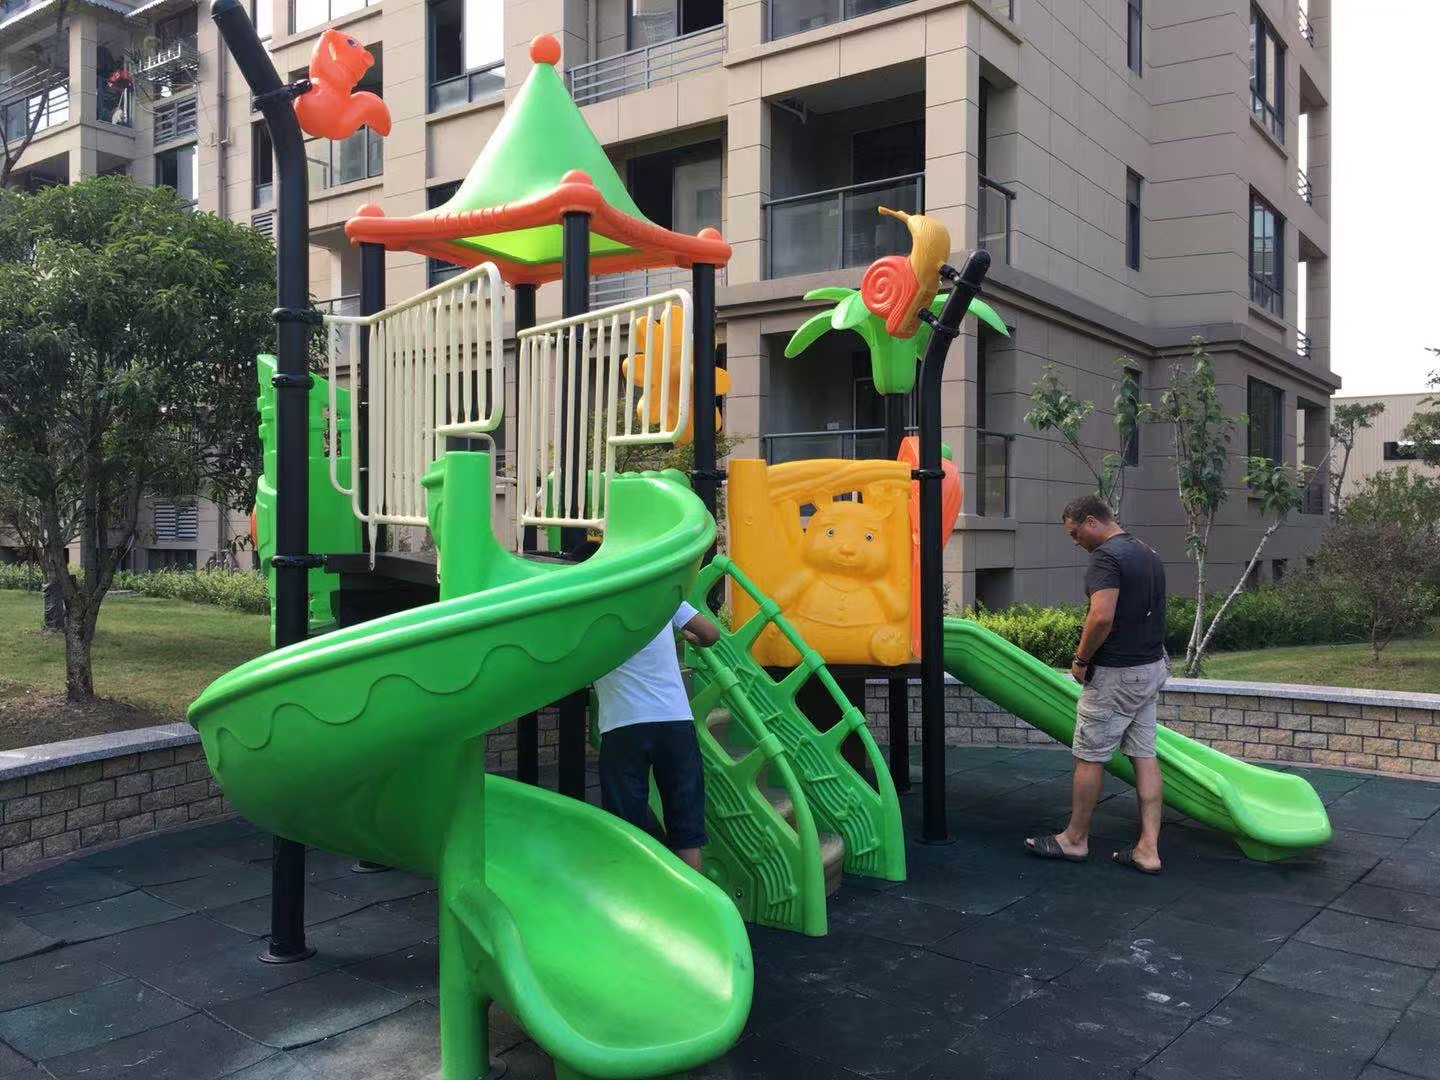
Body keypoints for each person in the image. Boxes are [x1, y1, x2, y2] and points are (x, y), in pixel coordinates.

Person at [1025, 495, 1169, 874]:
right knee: (1145, 754)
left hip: (1115, 674)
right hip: (1150, 667)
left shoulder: (1106, 557)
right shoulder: (1147, 551)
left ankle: (1074, 840)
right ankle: (1148, 849)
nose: (1075, 541)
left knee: (1090, 755)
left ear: (1091, 522)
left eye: (1075, 532)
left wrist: (1081, 659)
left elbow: (1101, 617)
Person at [578, 544, 720, 872]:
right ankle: (692, 908)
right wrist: (687, 638)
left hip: (622, 725)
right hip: (674, 722)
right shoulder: (661, 598)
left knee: (627, 827)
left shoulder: (589, 608)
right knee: (686, 826)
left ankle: (635, 902)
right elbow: (710, 633)